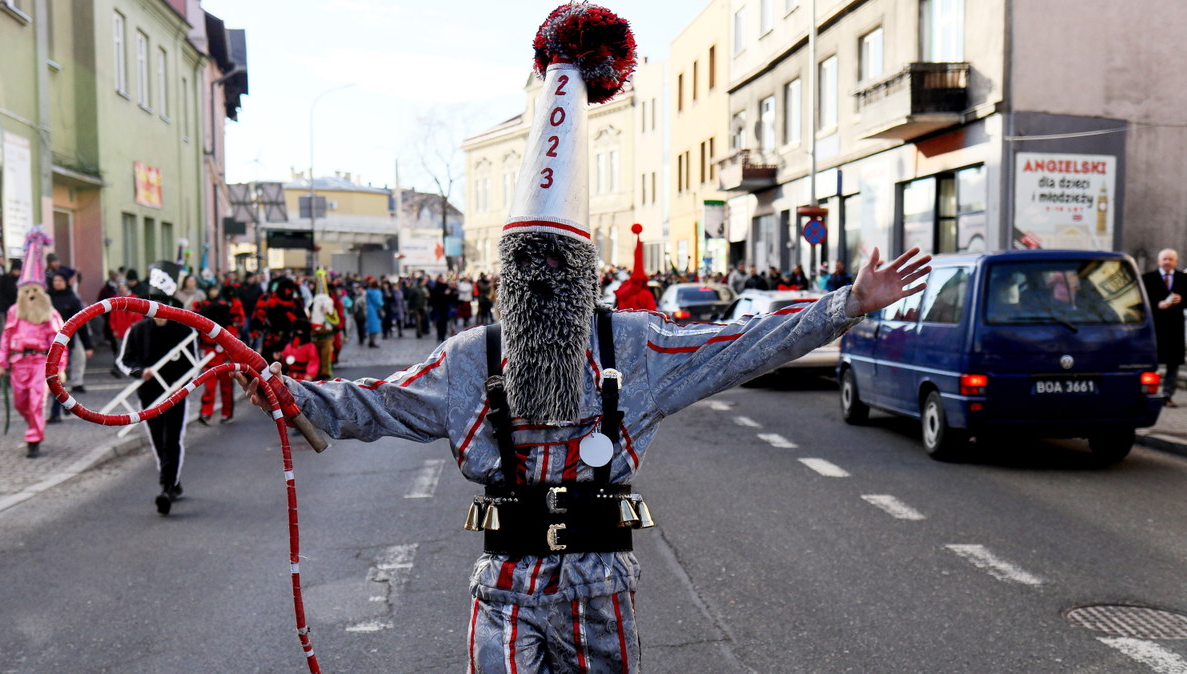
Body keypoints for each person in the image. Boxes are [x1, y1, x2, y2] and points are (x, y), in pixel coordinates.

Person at [238, 11, 930, 668]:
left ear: (582, 276)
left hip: (599, 596)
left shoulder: (634, 347)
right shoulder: (470, 360)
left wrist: (848, 305)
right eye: (525, 265)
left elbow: (741, 345)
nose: (540, 280)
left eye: (555, 265)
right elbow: (375, 404)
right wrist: (288, 391)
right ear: (504, 279)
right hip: (505, 594)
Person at [118, 261, 196, 515]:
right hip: (149, 394)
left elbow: (193, 365)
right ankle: (172, 481)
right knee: (157, 439)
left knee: (171, 439)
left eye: (162, 303)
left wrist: (181, 386)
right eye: (152, 302)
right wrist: (142, 372)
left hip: (175, 393)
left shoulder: (183, 330)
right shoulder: (137, 330)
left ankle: (166, 488)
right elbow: (125, 360)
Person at [0, 229, 67, 458]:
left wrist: (60, 369)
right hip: (19, 363)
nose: (32, 294)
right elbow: (6, 338)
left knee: (36, 401)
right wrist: (1, 363)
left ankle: (34, 439)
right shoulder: (15, 312)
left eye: (36, 290)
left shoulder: (49, 314)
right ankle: (32, 427)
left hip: (40, 363)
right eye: (27, 291)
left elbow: (59, 343)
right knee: (21, 403)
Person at [1142, 248, 1187, 406]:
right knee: (1152, 361)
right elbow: (1141, 301)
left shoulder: (1183, 278)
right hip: (1155, 326)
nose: (1167, 262)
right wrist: (1157, 304)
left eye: (1170, 259)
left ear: (1176, 262)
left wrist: (1181, 299)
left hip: (1175, 327)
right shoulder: (1148, 278)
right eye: (1164, 259)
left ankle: (1167, 395)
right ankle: (1149, 393)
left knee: (1174, 362)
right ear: (1158, 261)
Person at [46, 273, 94, 424]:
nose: (57, 282)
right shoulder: (47, 299)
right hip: (46, 343)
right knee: (53, 378)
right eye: (55, 280)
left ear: (66, 282)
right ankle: (65, 403)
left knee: (57, 377)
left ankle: (56, 412)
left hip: (66, 344)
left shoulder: (72, 300)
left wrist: (87, 346)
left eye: (60, 280)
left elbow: (81, 324)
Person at [194, 284, 243, 425]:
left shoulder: (226, 306)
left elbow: (234, 326)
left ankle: (227, 413)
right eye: (211, 289)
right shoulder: (204, 306)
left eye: (215, 289)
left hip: (224, 351)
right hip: (210, 352)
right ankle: (206, 412)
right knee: (209, 386)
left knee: (226, 387)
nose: (213, 292)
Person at [364, 278, 383, 349]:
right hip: (375, 310)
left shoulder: (368, 292)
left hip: (370, 310)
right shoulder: (377, 292)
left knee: (371, 326)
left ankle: (371, 340)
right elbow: (378, 302)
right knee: (375, 327)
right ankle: (372, 341)